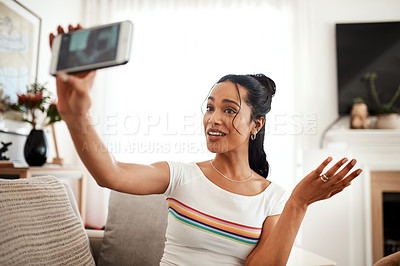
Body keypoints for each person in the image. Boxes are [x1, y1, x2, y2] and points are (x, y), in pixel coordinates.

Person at [51, 25, 362, 266]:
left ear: (257, 124)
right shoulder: (180, 176)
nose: (213, 119)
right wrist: (74, 114)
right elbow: (111, 174)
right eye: (210, 107)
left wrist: (299, 202)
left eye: (229, 110)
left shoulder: (274, 199)